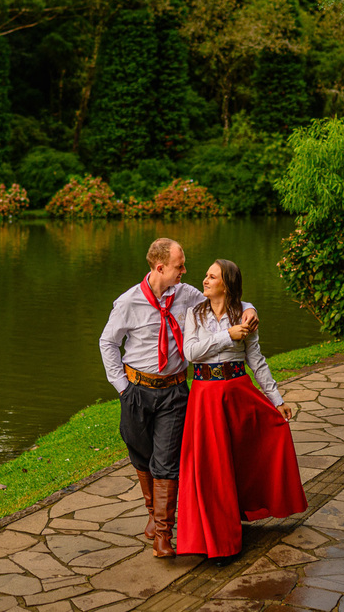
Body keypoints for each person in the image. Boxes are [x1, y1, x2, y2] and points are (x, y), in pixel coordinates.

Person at [99, 238, 258, 558]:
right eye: (180, 266)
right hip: (136, 391)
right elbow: (107, 343)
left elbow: (223, 301)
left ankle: (163, 534)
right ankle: (152, 513)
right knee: (141, 456)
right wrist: (122, 387)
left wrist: (250, 308)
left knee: (166, 461)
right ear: (160, 268)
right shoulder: (128, 302)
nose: (186, 271)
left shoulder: (188, 296)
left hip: (174, 391)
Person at [176, 258, 307, 563]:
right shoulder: (195, 314)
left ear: (227, 284)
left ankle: (239, 515)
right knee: (211, 468)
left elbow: (256, 360)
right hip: (206, 397)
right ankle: (219, 541)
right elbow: (190, 353)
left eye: (212, 276)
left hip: (237, 392)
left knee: (243, 456)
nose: (205, 280)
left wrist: (277, 400)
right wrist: (227, 336)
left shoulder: (246, 313)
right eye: (206, 275)